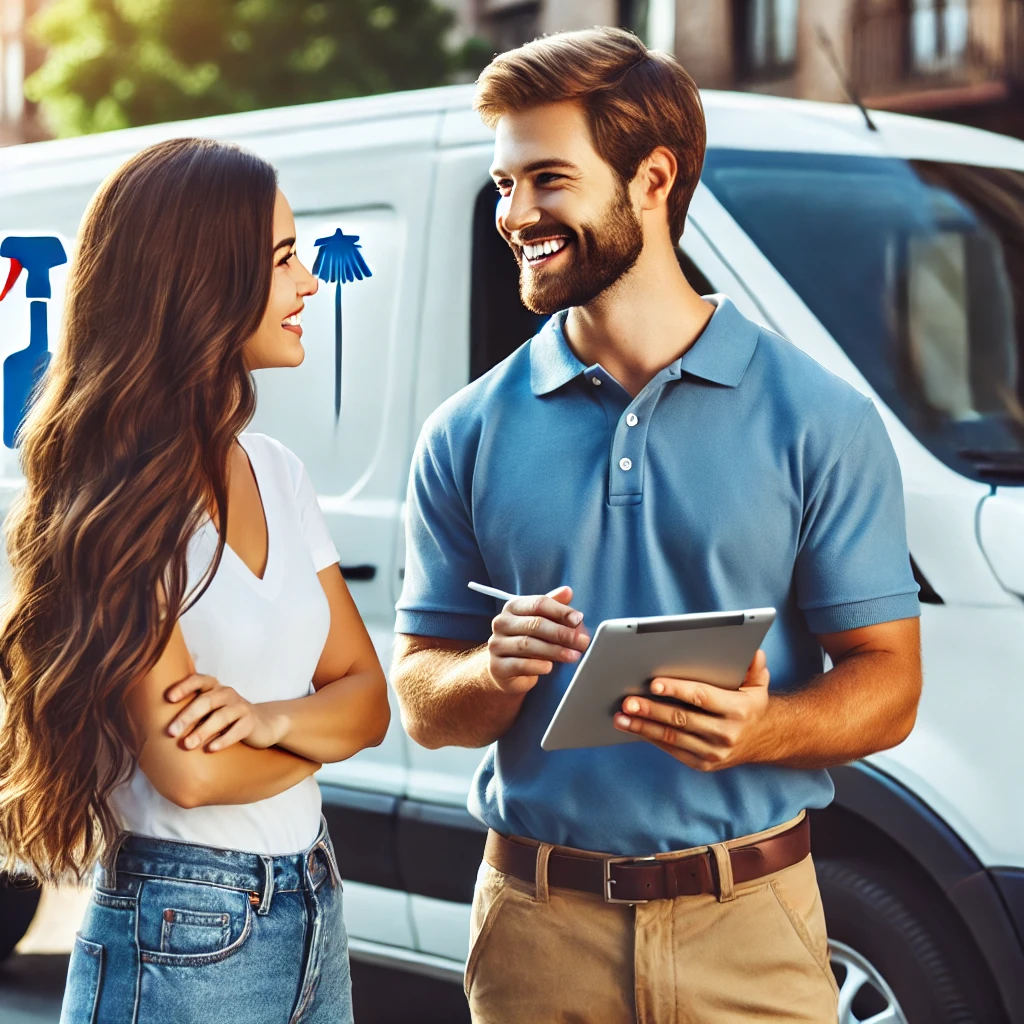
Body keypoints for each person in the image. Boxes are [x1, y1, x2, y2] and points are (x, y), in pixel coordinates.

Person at [391, 26, 922, 1024]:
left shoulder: (820, 419)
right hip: (533, 932)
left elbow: (888, 682)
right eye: (503, 185)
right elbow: (423, 698)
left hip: (753, 924)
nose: (513, 215)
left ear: (652, 178)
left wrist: (768, 728)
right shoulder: (462, 431)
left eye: (546, 179)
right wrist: (488, 672)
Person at [0, 137, 391, 1024]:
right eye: (285, 259)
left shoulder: (279, 471)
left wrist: (269, 720)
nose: (310, 286)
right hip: (184, 923)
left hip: (312, 903)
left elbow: (371, 703)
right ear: (204, 282)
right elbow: (189, 775)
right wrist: (319, 736)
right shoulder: (116, 495)